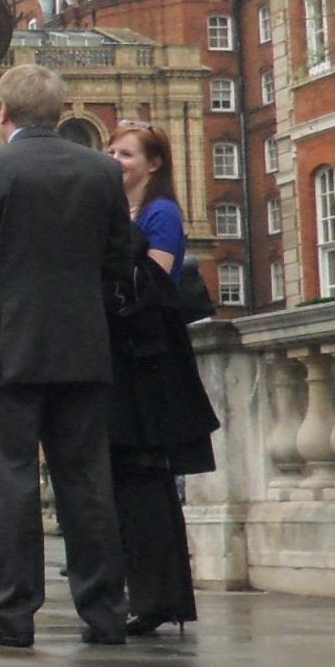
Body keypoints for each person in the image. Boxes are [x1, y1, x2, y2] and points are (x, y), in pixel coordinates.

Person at [0, 66, 136, 651]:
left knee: (13, 480)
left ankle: (14, 613)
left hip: (6, 348)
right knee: (86, 479)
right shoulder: (101, 171)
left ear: (2, 111)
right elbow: (118, 259)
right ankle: (104, 611)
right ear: (58, 111)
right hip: (80, 346)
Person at [106, 125, 220, 637]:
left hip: (152, 358)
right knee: (126, 480)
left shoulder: (162, 214)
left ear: (153, 164)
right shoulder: (123, 213)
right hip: (124, 357)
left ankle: (158, 596)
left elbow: (150, 284)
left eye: (125, 154)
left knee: (146, 477)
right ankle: (143, 591)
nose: (115, 160)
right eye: (110, 152)